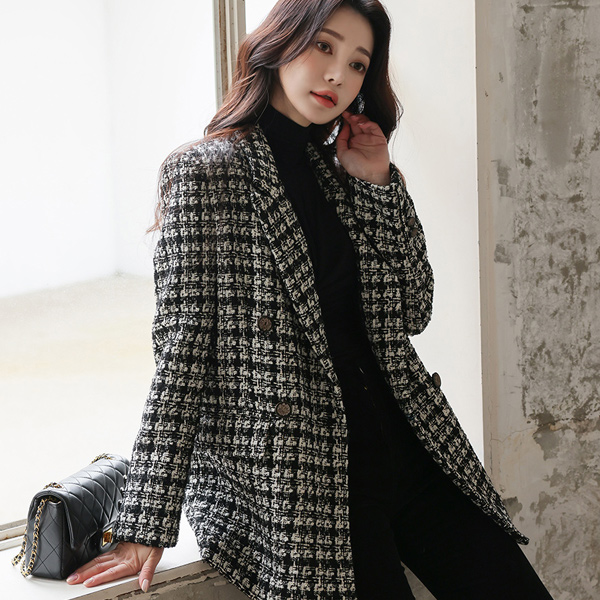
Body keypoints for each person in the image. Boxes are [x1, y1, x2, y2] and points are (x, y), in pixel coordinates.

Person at [67, 1, 555, 598]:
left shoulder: (345, 170)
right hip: (307, 484)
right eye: (324, 46)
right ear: (280, 41)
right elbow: (183, 353)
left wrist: (378, 185)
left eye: (357, 64)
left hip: (409, 449)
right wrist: (147, 519)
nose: (336, 75)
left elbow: (413, 309)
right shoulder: (205, 173)